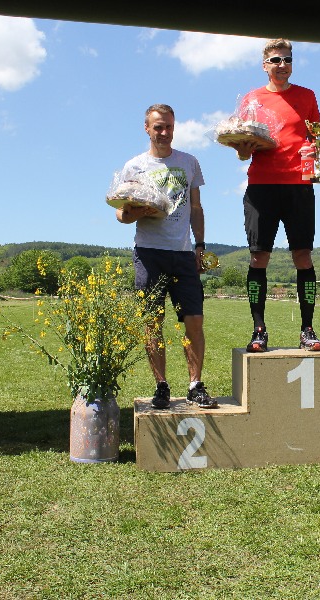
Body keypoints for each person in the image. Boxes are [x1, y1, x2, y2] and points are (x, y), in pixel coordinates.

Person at [113, 103, 216, 410]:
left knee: (194, 320)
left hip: (183, 254)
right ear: (147, 128)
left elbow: (196, 208)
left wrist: (200, 245)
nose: (164, 132)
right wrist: (139, 212)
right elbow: (121, 214)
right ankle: (161, 386)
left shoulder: (189, 162)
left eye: (169, 126)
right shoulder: (134, 166)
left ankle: (195, 385)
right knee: (152, 323)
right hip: (149, 253)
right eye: (158, 127)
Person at [227, 38, 320, 353]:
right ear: (264, 65)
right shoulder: (252, 99)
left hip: (299, 185)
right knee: (259, 258)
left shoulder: (307, 96)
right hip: (262, 186)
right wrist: (243, 150)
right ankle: (259, 330)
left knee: (303, 257)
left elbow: (315, 139)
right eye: (276, 60)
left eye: (287, 60)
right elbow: (243, 150)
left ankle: (307, 329)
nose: (282, 65)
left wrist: (315, 152)